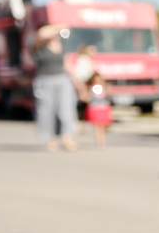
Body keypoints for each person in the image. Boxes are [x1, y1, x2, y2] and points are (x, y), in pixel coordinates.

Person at [31, 24, 87, 152]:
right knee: (47, 110)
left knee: (67, 109)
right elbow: (42, 33)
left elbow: (68, 66)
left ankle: (67, 137)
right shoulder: (40, 46)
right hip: (45, 79)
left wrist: (78, 84)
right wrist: (59, 26)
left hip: (62, 79)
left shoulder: (63, 46)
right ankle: (50, 139)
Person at [84, 71, 112, 147]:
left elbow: (108, 96)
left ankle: (102, 139)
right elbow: (86, 98)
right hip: (94, 108)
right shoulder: (90, 88)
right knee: (97, 125)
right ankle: (99, 141)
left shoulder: (105, 87)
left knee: (103, 125)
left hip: (103, 107)